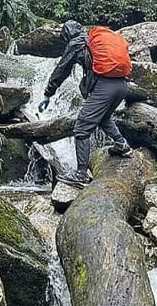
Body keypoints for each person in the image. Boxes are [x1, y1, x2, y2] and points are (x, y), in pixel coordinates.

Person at [37, 20, 134, 188]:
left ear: (66, 34)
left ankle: (81, 174)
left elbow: (62, 69)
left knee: (81, 128)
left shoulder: (76, 43)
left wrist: (48, 94)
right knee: (103, 118)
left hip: (105, 87)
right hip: (122, 85)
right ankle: (122, 145)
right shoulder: (92, 42)